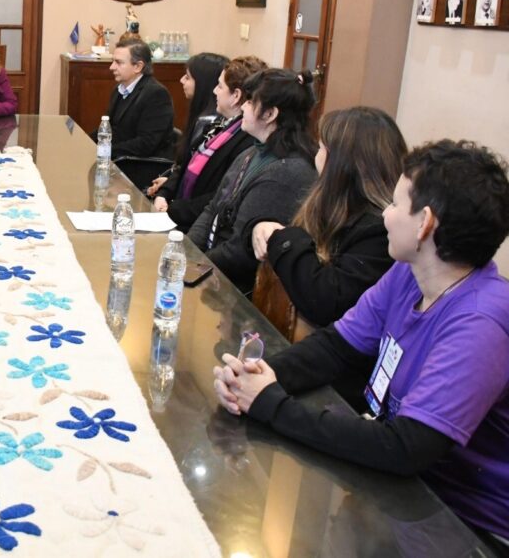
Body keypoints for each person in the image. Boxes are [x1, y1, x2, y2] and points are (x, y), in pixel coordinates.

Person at [213, 140, 509, 550]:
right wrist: (256, 376)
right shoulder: (409, 274)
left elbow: (407, 447)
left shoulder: (480, 322)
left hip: (463, 524)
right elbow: (336, 347)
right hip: (404, 492)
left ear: (425, 224)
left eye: (395, 204)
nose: (384, 215)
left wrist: (269, 404)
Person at [250, 107, 407, 330]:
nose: (316, 154)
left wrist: (282, 237)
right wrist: (260, 226)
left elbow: (324, 299)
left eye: (321, 147)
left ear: (340, 164)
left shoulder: (380, 231)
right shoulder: (330, 205)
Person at [187, 68, 317, 295]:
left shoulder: (288, 173)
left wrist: (193, 269)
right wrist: (185, 251)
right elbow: (212, 209)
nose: (244, 107)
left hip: (236, 291)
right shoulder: (253, 151)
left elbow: (239, 252)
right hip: (210, 269)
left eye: (250, 101)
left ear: (269, 115)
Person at [152, 56, 267, 232]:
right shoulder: (220, 124)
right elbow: (186, 165)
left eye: (220, 86)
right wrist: (165, 193)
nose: (214, 91)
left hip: (196, 224)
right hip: (178, 213)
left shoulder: (247, 140)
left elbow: (221, 194)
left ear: (236, 95)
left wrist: (173, 210)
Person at [89, 38, 174, 189]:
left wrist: (105, 151)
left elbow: (146, 144)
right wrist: (87, 143)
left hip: (139, 166)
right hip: (118, 159)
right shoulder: (119, 89)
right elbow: (110, 128)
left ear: (138, 66)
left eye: (118, 62)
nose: (111, 67)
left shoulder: (156, 94)